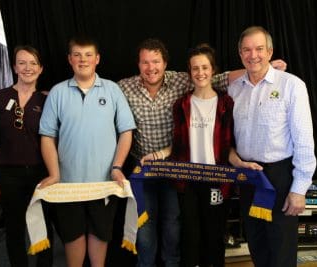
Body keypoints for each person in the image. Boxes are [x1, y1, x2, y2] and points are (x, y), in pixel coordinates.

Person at [118, 38, 285, 267]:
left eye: (205, 67)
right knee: (187, 235)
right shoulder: (181, 104)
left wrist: (241, 163)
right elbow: (177, 145)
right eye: (195, 68)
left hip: (217, 181)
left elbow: (228, 146)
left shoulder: (226, 103)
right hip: (186, 181)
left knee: (213, 236)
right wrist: (158, 155)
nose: (200, 72)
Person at [38, 36, 136, 267]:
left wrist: (117, 167)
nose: (83, 60)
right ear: (70, 59)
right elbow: (47, 136)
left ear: (97, 59)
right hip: (68, 186)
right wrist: (54, 173)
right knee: (73, 239)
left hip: (103, 184)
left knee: (100, 237)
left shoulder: (113, 90)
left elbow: (126, 132)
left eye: (88, 55)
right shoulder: (57, 92)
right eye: (78, 55)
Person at [228, 26, 316, 267]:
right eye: (247, 50)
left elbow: (304, 141)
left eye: (258, 49)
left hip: (280, 178)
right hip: (249, 177)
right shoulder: (234, 90)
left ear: (270, 51)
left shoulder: (291, 85)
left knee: (281, 249)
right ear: (240, 54)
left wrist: (299, 189)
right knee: (257, 244)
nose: (252, 55)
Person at [0, 45, 53, 267]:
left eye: (33, 63)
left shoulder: (47, 100)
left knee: (43, 228)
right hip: (9, 175)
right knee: (14, 229)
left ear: (41, 69)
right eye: (22, 62)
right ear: (14, 67)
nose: (27, 68)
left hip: (41, 174)